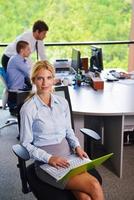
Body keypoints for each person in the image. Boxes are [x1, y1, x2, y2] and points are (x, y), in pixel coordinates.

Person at [20, 60, 105, 200]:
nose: (45, 83)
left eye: (48, 78)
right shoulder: (28, 109)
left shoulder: (62, 103)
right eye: (40, 78)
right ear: (34, 80)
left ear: (53, 79)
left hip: (70, 159)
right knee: (94, 185)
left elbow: (68, 130)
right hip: (46, 165)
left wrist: (77, 146)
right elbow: (25, 144)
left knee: (85, 198)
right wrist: (49, 158)